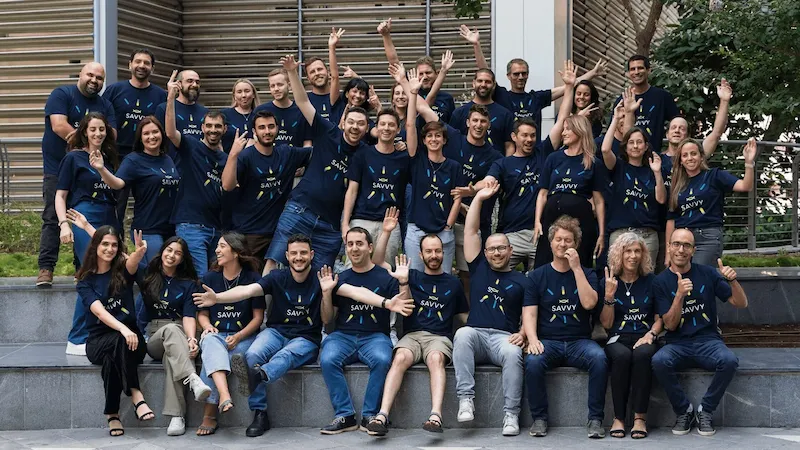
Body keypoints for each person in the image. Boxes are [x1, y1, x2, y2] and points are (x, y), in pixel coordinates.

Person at [192, 234, 410, 437]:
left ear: (311, 255)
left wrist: (386, 302)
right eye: (294, 253)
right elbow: (248, 291)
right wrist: (218, 298)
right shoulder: (276, 277)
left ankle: (258, 376)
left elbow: (355, 292)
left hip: (306, 338)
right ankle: (260, 413)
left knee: (286, 355)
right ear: (287, 256)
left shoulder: (321, 278)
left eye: (303, 253)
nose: (298, 257)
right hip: (276, 332)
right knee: (252, 355)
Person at [450, 73, 576, 271]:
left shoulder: (543, 153)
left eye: (533, 135)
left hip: (539, 232)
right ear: (514, 137)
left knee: (538, 282)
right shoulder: (502, 163)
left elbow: (561, 121)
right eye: (524, 135)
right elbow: (488, 181)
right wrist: (471, 189)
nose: (529, 139)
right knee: (496, 274)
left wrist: (569, 88)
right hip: (511, 234)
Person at [263, 55, 371, 273]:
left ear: (367, 129)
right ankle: (264, 309)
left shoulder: (366, 154)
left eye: (361, 124)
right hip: (299, 210)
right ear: (343, 121)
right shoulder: (328, 132)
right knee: (275, 264)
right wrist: (293, 72)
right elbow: (303, 102)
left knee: (324, 279)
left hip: (330, 226)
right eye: (351, 122)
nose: (355, 127)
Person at [451, 181, 533, 436]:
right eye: (492, 249)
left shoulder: (523, 280)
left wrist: (523, 332)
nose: (496, 252)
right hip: (476, 335)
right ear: (485, 253)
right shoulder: (479, 267)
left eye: (501, 248)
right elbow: (472, 230)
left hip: (501, 339)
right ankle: (466, 399)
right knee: (462, 334)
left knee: (513, 353)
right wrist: (479, 197)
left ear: (510, 251)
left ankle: (510, 415)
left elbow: (530, 314)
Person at [317, 228, 414, 434]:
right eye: (350, 244)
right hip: (343, 335)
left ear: (370, 247)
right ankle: (345, 415)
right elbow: (327, 319)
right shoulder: (338, 278)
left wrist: (403, 281)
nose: (354, 248)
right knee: (327, 358)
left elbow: (405, 308)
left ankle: (370, 415)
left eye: (359, 243)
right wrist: (326, 294)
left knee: (382, 359)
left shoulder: (386, 277)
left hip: (375, 336)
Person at [652, 228, 748, 436]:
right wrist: (679, 296)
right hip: (677, 343)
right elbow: (669, 325)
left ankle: (706, 410)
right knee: (659, 361)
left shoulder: (708, 273)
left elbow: (740, 303)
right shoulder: (659, 282)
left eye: (686, 245)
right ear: (669, 247)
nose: (681, 250)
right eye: (676, 244)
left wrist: (732, 280)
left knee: (729, 360)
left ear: (694, 250)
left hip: (708, 340)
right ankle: (684, 410)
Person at [92, 115, 180, 336]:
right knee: (154, 281)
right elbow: (119, 184)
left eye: (155, 132)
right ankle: (137, 329)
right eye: (146, 133)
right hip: (148, 229)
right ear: (140, 138)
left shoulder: (169, 159)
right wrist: (103, 170)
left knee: (160, 281)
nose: (152, 136)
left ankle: (142, 328)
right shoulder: (134, 160)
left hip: (171, 229)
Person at [523, 215, 607, 439]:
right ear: (550, 243)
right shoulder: (537, 276)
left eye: (568, 240)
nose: (563, 244)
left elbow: (589, 303)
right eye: (558, 239)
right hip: (548, 341)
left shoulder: (588, 273)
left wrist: (577, 268)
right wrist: (532, 340)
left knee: (599, 358)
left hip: (580, 341)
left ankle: (596, 419)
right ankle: (539, 418)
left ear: (576, 244)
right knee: (532, 362)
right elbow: (529, 313)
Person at [37, 62, 117, 289]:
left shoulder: (105, 104)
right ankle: (46, 267)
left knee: (83, 218)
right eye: (90, 75)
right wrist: (87, 140)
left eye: (100, 78)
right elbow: (58, 125)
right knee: (53, 218)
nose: (94, 80)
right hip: (57, 167)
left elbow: (112, 133)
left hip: (88, 172)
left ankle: (80, 266)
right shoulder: (62, 94)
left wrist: (92, 146)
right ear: (80, 75)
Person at [461, 24, 606, 143]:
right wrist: (476, 44)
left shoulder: (536, 98)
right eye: (516, 74)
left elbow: (569, 85)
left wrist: (592, 73)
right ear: (508, 76)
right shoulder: (502, 94)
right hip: (511, 152)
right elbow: (485, 73)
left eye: (524, 73)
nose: (520, 77)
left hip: (534, 153)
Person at [75, 225, 153, 436]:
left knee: (113, 357)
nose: (110, 249)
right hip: (98, 341)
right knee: (115, 345)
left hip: (133, 341)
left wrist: (140, 252)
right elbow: (99, 313)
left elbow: (133, 263)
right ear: (96, 246)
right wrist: (123, 329)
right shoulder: (85, 281)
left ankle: (112, 414)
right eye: (105, 244)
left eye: (114, 245)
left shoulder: (122, 271)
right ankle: (136, 395)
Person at [57, 113, 120, 355]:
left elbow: (117, 187)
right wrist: (63, 224)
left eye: (102, 129)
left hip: (108, 216)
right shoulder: (73, 158)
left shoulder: (110, 158)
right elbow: (60, 195)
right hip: (83, 216)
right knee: (91, 273)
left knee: (108, 274)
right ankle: (76, 337)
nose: (98, 134)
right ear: (84, 131)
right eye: (93, 129)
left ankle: (96, 332)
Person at [533, 61, 606, 269]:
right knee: (545, 265)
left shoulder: (592, 161)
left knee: (578, 266)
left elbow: (599, 201)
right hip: (550, 220)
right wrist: (537, 221)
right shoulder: (554, 158)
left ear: (579, 132)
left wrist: (601, 233)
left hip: (581, 223)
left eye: (567, 129)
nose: (563, 132)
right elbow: (542, 193)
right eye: (563, 129)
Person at [135, 236, 210, 436]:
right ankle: (192, 378)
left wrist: (192, 339)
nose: (172, 255)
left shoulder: (188, 284)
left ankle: (177, 416)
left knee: (172, 357)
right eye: (169, 250)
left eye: (178, 253)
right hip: (155, 336)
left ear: (182, 258)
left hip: (181, 333)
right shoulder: (148, 275)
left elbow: (188, 316)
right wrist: (138, 253)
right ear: (162, 252)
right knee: (170, 330)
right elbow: (124, 263)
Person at [390, 64, 461, 273]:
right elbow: (410, 124)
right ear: (424, 139)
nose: (433, 139)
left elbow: (457, 197)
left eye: (438, 135)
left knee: (444, 277)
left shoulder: (453, 166)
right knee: (413, 278)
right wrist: (412, 93)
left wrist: (449, 224)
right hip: (416, 229)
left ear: (444, 140)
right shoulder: (416, 158)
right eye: (429, 136)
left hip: (443, 232)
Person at [196, 233, 265, 436]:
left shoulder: (253, 279)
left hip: (244, 337)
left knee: (214, 355)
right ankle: (225, 394)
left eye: (222, 246)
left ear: (235, 251)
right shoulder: (210, 278)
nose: (217, 250)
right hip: (217, 335)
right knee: (209, 342)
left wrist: (239, 336)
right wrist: (207, 326)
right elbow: (201, 313)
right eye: (217, 246)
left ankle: (209, 415)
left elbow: (258, 318)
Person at [221, 110, 312, 263]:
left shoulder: (286, 153)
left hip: (278, 233)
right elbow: (227, 186)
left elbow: (318, 153)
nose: (267, 131)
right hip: (249, 233)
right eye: (262, 127)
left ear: (277, 128)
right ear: (254, 131)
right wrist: (233, 154)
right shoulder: (245, 156)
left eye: (271, 126)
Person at [599, 232, 663, 439]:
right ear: (620, 254)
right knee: (622, 356)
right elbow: (606, 324)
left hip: (644, 335)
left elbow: (660, 317)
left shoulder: (651, 281)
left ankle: (639, 418)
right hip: (617, 337)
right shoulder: (609, 281)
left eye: (637, 251)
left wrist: (651, 334)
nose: (633, 256)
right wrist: (609, 296)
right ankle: (618, 417)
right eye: (628, 251)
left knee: (643, 355)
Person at [164, 70, 228, 276]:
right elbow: (170, 132)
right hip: (191, 226)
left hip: (216, 229)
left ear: (225, 129)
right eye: (209, 126)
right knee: (199, 278)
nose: (213, 130)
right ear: (202, 127)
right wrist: (170, 98)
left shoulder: (227, 159)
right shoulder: (191, 146)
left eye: (218, 126)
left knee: (214, 278)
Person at [665, 138, 755, 266]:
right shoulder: (677, 185)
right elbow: (671, 219)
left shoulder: (714, 175)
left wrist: (749, 162)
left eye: (693, 153)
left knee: (700, 279)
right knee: (681, 281)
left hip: (707, 238)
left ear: (701, 156)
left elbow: (745, 186)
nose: (690, 158)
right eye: (685, 155)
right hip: (682, 240)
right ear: (680, 161)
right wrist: (668, 252)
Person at [103, 49, 168, 226]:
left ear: (152, 68)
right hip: (117, 157)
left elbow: (165, 128)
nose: (142, 66)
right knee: (116, 205)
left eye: (146, 63)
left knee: (149, 203)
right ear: (129, 64)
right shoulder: (114, 91)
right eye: (138, 61)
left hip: (148, 158)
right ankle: (115, 244)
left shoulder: (161, 96)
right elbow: (102, 121)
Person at [341, 107, 409, 265]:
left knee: (384, 272)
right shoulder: (363, 154)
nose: (386, 128)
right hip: (360, 220)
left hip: (390, 223)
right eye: (383, 124)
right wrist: (345, 224)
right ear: (376, 128)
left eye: (391, 125)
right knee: (353, 268)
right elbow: (352, 191)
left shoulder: (404, 158)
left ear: (398, 129)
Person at [601, 105, 666, 257]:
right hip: (620, 233)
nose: (635, 146)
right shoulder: (618, 166)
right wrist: (616, 118)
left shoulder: (653, 169)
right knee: (617, 276)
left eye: (639, 142)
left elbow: (661, 199)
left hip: (648, 235)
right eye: (631, 142)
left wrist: (657, 172)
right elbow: (605, 150)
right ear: (625, 146)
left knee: (647, 278)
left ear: (645, 147)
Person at [378, 18, 456, 122]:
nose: (424, 77)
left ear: (436, 74)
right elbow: (394, 62)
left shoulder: (447, 98)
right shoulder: (410, 90)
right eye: (421, 73)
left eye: (428, 73)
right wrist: (386, 36)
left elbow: (451, 125)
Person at [610, 55, 679, 153]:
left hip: (654, 158)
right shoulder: (622, 101)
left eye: (640, 68)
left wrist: (669, 153)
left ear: (648, 70)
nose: (636, 72)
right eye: (633, 69)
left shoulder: (662, 97)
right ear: (628, 73)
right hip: (628, 159)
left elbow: (678, 124)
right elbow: (612, 132)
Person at [448, 69, 515, 156]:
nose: (483, 85)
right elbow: (452, 142)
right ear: (473, 83)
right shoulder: (459, 113)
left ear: (494, 85)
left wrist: (506, 167)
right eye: (480, 81)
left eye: (487, 82)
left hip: (494, 166)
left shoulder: (505, 114)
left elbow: (509, 146)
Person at [254, 69, 312, 148]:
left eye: (280, 85)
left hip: (296, 159)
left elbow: (307, 143)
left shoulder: (301, 110)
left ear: (289, 86)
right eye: (272, 86)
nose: (276, 89)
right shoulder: (260, 111)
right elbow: (253, 140)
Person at [155, 70, 208, 142]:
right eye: (190, 81)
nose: (194, 85)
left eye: (197, 82)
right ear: (179, 84)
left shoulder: (205, 112)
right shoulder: (163, 108)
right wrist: (170, 96)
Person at [220, 78, 261, 150]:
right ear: (234, 96)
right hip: (229, 159)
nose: (243, 95)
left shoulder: (260, 115)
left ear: (253, 94)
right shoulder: (224, 115)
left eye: (247, 91)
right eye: (239, 92)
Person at [304, 56, 340, 122]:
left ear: (328, 72)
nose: (317, 73)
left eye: (320, 69)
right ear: (308, 79)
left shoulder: (342, 99)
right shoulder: (305, 102)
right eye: (312, 72)